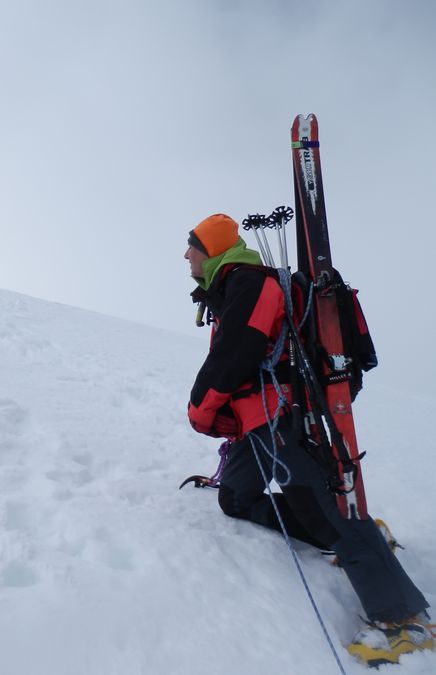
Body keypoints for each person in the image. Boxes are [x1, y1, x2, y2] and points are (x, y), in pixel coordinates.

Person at [184, 213, 433, 667]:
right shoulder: (229, 289)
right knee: (236, 499)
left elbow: (235, 353)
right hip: (254, 423)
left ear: (213, 249)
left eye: (192, 246)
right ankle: (339, 539)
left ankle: (402, 620)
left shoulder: (250, 283)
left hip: (282, 416)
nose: (186, 255)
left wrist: (200, 409)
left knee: (326, 506)